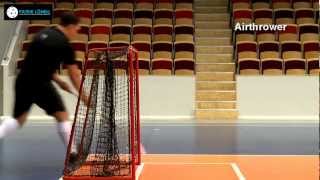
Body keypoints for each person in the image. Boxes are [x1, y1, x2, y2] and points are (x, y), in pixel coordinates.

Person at [0, 12, 87, 149]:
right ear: (70, 26)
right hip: (40, 84)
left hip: (23, 80)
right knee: (62, 115)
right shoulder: (65, 45)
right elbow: (74, 75)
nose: (76, 32)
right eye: (76, 29)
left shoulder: (42, 34)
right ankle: (73, 153)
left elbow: (38, 63)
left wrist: (59, 81)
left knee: (18, 120)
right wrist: (83, 96)